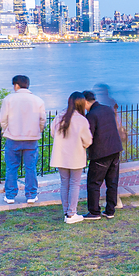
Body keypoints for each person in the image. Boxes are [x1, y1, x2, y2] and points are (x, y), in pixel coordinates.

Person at [0, 74, 47, 204]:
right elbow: (43, 120)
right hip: (31, 138)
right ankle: (31, 195)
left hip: (13, 137)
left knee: (11, 167)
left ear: (16, 85)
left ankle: (10, 195)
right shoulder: (38, 101)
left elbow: (3, 119)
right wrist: (38, 131)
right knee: (30, 167)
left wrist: (6, 130)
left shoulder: (8, 100)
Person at [49, 91, 93, 224]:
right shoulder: (81, 120)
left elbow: (52, 133)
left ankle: (66, 212)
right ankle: (71, 213)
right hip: (75, 156)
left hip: (60, 156)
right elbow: (88, 140)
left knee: (64, 184)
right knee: (74, 184)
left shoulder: (59, 117)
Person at [83, 89, 124, 220]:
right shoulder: (108, 109)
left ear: (85, 101)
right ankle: (110, 210)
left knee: (94, 183)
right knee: (112, 182)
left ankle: (94, 211)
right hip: (115, 149)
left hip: (101, 152)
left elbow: (89, 135)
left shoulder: (91, 115)